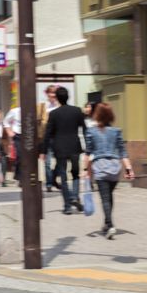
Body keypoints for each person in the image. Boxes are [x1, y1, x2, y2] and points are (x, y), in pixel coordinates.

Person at [83, 103, 134, 239]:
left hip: (100, 167)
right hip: (114, 168)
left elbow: (88, 153)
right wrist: (129, 168)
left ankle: (110, 225)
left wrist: (85, 170)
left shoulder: (91, 132)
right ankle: (106, 223)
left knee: (105, 198)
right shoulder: (116, 131)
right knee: (109, 196)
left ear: (97, 115)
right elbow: (123, 152)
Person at [40, 87, 87, 215]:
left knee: (63, 177)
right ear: (68, 96)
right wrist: (88, 146)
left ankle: (67, 205)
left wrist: (43, 151)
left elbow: (48, 134)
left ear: (58, 98)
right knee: (76, 174)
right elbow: (84, 129)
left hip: (59, 147)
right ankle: (75, 197)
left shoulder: (54, 114)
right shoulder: (77, 111)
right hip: (74, 147)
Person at [38, 84, 60, 192]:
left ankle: (53, 178)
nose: (52, 94)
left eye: (54, 92)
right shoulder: (42, 106)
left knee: (60, 160)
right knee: (47, 162)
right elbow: (37, 122)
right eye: (50, 92)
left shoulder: (60, 105)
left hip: (58, 137)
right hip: (46, 138)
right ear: (47, 93)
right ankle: (49, 183)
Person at [2, 107, 21, 187]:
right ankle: (19, 177)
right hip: (17, 135)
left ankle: (23, 177)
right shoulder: (14, 111)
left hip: (29, 134)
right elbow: (6, 121)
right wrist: (9, 132)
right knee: (20, 156)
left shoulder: (32, 109)